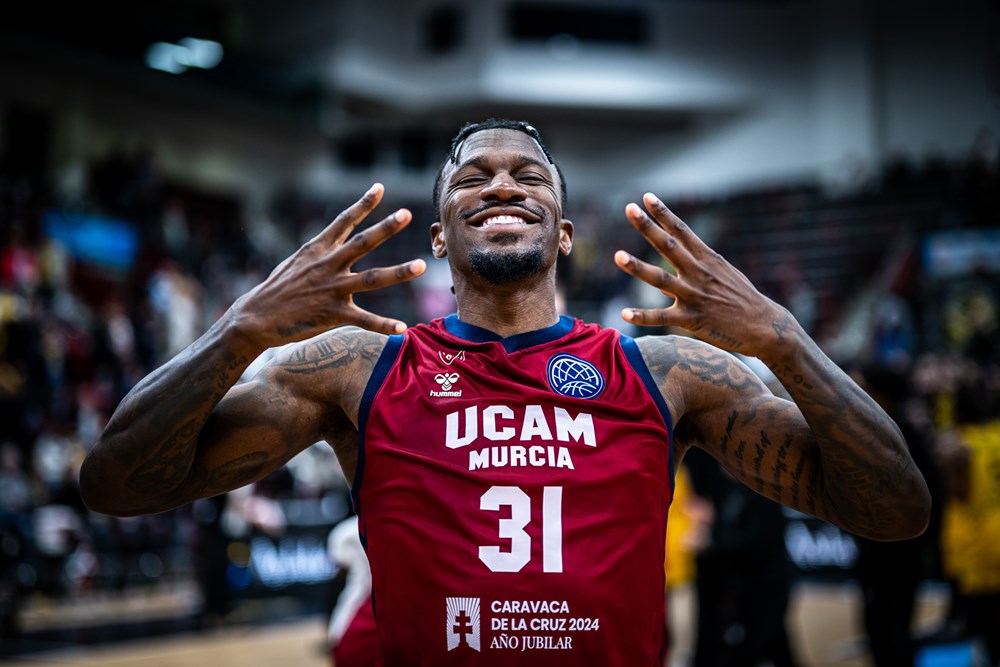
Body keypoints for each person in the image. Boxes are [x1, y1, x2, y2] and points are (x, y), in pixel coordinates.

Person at [79, 118, 931, 666]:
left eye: (529, 174)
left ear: (563, 234)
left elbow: (896, 508)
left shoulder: (665, 371)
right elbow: (116, 482)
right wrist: (240, 328)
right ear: (440, 237)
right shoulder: (356, 367)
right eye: (471, 177)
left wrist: (782, 335)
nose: (501, 185)